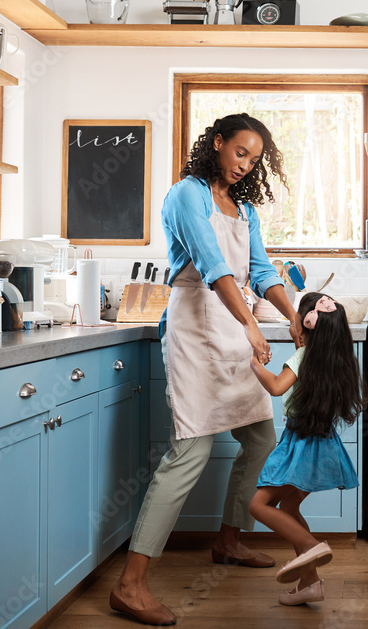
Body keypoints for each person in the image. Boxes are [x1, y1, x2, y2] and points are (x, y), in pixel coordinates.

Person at [110, 113, 301, 626]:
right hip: (197, 326)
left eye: (255, 159)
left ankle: (229, 542)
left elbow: (260, 271)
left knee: (260, 439)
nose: (246, 165)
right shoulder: (185, 195)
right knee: (190, 451)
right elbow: (212, 263)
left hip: (235, 328)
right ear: (217, 144)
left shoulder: (244, 210)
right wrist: (251, 324)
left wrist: (293, 317)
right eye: (240, 152)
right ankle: (130, 585)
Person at [247, 292, 365, 606]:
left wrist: (255, 364)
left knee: (258, 506)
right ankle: (310, 582)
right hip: (324, 443)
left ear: (308, 324)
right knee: (288, 507)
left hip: (299, 444)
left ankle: (311, 545)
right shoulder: (337, 359)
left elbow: (275, 386)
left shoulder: (302, 359)